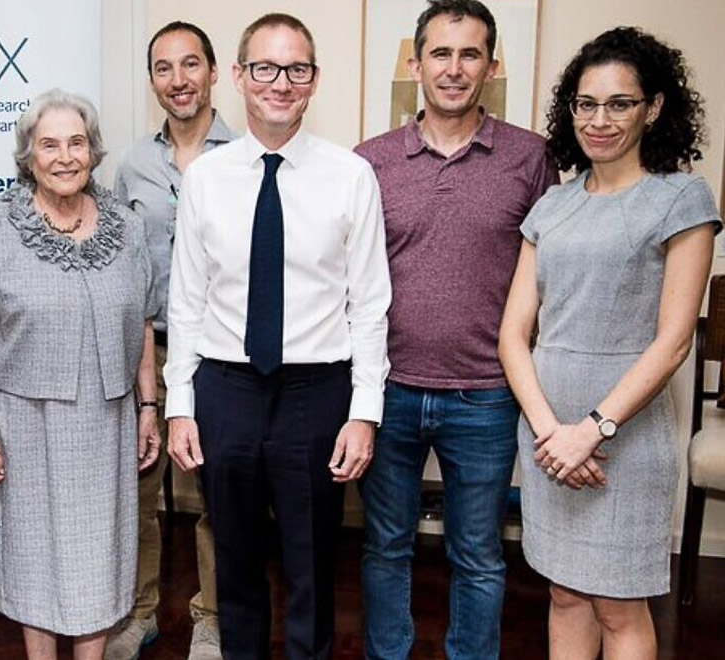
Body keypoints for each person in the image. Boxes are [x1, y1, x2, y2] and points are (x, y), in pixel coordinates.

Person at [165, 13, 390, 660]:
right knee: (234, 565)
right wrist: (180, 404)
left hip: (316, 394)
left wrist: (364, 413)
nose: (280, 83)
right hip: (226, 391)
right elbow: (186, 302)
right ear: (238, 76)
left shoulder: (351, 176)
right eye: (265, 67)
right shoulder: (206, 177)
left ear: (314, 80)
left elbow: (370, 304)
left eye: (296, 69)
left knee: (311, 566)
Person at [498, 26, 719, 659]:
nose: (600, 120)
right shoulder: (552, 205)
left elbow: (673, 342)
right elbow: (513, 334)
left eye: (620, 103)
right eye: (586, 104)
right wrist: (551, 434)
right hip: (548, 435)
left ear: (653, 107)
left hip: (625, 436)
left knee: (619, 605)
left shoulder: (680, 198)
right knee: (565, 593)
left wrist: (592, 431)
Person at [351, 2, 557, 658]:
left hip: (487, 394)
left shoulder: (530, 158)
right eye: (440, 53)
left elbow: (549, 272)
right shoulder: (370, 162)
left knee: (479, 554)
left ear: (491, 67)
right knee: (386, 547)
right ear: (416, 65)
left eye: (470, 54)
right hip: (388, 391)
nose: (454, 68)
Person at [0, 89, 161, 660]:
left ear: (93, 151)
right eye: (49, 145)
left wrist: (148, 408)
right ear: (29, 156)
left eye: (76, 143)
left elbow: (143, 324)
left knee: (99, 560)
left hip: (108, 422)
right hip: (25, 426)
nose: (65, 157)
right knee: (35, 562)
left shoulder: (127, 227)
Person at [109, 20, 233, 660]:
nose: (178, 80)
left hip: (221, 355)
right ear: (152, 80)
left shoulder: (245, 155)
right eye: (164, 67)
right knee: (137, 493)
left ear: (213, 71)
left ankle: (213, 616)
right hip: (148, 352)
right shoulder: (131, 166)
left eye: (190, 64)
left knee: (220, 495)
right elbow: (114, 262)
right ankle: (139, 613)